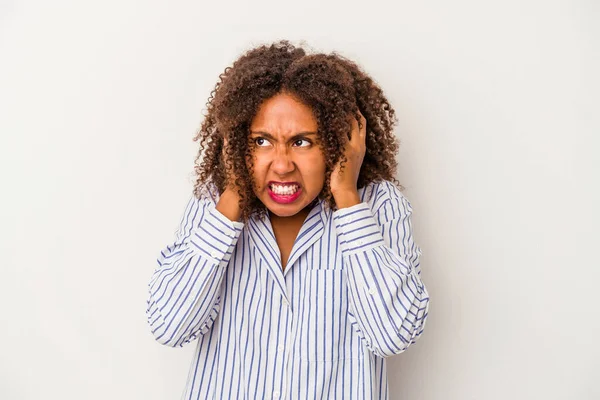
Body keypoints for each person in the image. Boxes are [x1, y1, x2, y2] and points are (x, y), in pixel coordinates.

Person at [146, 40, 430, 399]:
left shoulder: (377, 204)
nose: (281, 165)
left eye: (302, 142)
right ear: (238, 143)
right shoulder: (213, 202)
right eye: (261, 141)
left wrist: (346, 196)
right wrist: (233, 195)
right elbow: (169, 326)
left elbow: (392, 334)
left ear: (338, 143)